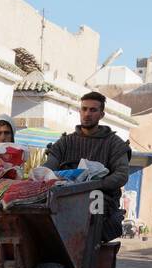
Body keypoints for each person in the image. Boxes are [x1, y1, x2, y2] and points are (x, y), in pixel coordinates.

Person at [39, 92, 131, 241]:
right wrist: (43, 176)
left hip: (100, 196)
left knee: (95, 204)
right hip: (64, 195)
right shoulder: (65, 142)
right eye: (84, 109)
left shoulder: (115, 144)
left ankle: (90, 249)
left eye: (93, 110)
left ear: (101, 114)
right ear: (80, 111)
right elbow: (48, 167)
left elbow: (121, 175)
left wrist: (94, 184)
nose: (87, 114)